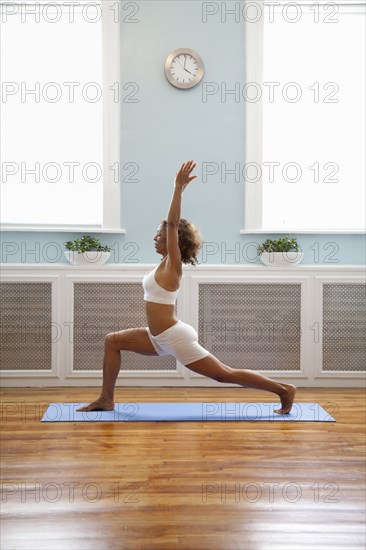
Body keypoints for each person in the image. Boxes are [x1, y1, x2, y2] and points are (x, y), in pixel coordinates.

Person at [77, 161, 296, 414]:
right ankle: (106, 398)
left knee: (223, 375)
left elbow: (172, 224)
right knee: (112, 341)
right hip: (156, 337)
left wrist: (178, 188)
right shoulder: (162, 265)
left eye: (159, 234)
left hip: (174, 336)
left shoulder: (173, 264)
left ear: (173, 240)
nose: (155, 238)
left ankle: (283, 390)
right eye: (157, 234)